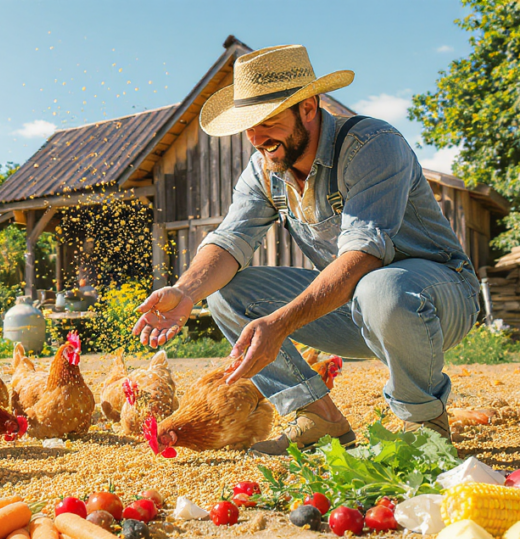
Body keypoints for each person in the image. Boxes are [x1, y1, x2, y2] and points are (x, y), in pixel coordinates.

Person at [132, 44, 479, 456]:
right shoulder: (265, 169)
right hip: (357, 308)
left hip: (438, 300)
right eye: (248, 127)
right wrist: (188, 291)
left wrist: (278, 325)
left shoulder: (373, 146)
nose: (257, 138)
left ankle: (425, 427)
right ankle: (318, 419)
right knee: (226, 293)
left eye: (268, 122)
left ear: (309, 108)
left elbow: (363, 256)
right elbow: (230, 240)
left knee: (381, 287)